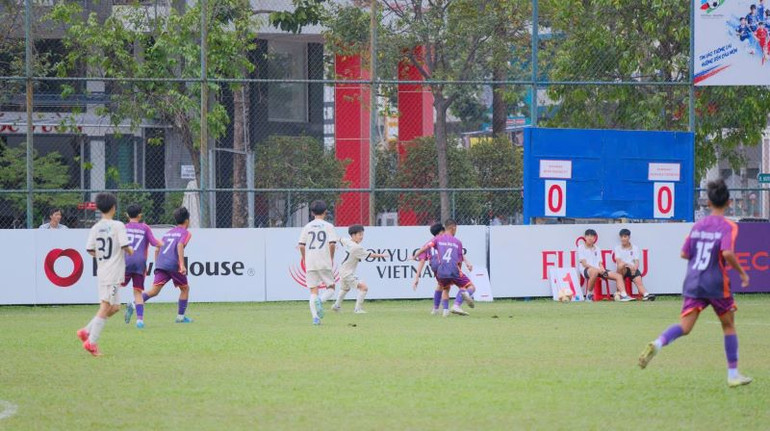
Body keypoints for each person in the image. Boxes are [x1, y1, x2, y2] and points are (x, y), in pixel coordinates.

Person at [638, 179, 752, 388]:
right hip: (716, 282)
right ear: (728, 203)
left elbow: (684, 253)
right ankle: (733, 374)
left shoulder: (698, 225)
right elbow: (726, 252)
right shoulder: (729, 227)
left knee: (685, 326)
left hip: (693, 281)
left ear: (708, 203)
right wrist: (742, 274)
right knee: (728, 325)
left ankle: (658, 343)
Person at [76, 193, 133, 356]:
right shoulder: (118, 225)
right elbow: (125, 245)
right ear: (114, 207)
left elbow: (90, 249)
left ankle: (86, 331)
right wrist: (130, 250)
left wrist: (102, 257)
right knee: (106, 306)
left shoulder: (95, 227)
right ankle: (91, 342)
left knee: (115, 307)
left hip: (102, 271)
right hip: (113, 272)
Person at [141, 207, 193, 323]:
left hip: (161, 263)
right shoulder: (186, 233)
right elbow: (180, 245)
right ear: (187, 221)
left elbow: (157, 248)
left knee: (154, 291)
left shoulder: (168, 233)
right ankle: (180, 317)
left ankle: (135, 303)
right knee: (185, 288)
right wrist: (182, 265)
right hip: (173, 264)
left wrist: (157, 263)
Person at [412, 220, 475, 316]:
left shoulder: (433, 241)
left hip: (439, 270)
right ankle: (457, 304)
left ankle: (440, 310)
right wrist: (465, 264)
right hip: (451, 268)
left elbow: (423, 255)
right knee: (466, 287)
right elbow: (459, 258)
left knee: (443, 287)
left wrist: (415, 257)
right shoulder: (455, 241)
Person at [298, 200, 339, 325]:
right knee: (331, 287)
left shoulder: (307, 227)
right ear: (325, 212)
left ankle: (315, 318)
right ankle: (320, 300)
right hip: (324, 260)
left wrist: (305, 258)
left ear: (312, 213)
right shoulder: (328, 226)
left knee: (313, 290)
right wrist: (331, 257)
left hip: (311, 262)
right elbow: (332, 243)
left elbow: (301, 245)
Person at [122, 204, 163, 329]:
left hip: (126, 262)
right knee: (138, 292)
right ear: (140, 215)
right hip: (140, 263)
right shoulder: (145, 228)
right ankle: (139, 320)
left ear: (127, 215)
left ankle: (106, 310)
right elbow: (155, 242)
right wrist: (164, 244)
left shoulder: (123, 228)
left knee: (115, 285)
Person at [332, 225, 386, 314]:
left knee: (345, 289)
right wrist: (382, 255)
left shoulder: (348, 241)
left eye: (362, 234)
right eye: (359, 235)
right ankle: (358, 309)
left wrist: (331, 241)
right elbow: (370, 255)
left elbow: (339, 239)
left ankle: (336, 306)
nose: (362, 237)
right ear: (353, 236)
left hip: (342, 270)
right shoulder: (357, 247)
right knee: (364, 288)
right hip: (347, 273)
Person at [577, 229, 634, 301]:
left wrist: (603, 270)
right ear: (585, 237)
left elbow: (600, 263)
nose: (589, 237)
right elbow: (585, 264)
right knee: (594, 272)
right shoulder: (581, 248)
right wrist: (598, 270)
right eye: (588, 236)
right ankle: (589, 295)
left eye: (591, 236)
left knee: (618, 276)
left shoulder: (597, 248)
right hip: (587, 270)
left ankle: (623, 295)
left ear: (595, 238)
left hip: (599, 270)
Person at [412, 223, 447, 316]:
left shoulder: (428, 243)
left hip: (435, 267)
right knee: (447, 286)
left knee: (441, 285)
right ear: (441, 232)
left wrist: (416, 277)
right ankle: (447, 308)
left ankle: (436, 309)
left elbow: (422, 260)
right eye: (444, 231)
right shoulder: (445, 241)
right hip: (443, 265)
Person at [614, 229, 656, 301]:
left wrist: (634, 268)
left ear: (629, 237)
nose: (623, 239)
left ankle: (646, 295)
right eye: (622, 237)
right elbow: (618, 261)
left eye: (625, 237)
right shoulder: (617, 248)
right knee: (620, 266)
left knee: (638, 281)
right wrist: (629, 266)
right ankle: (623, 294)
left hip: (632, 269)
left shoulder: (635, 248)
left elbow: (636, 261)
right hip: (622, 270)